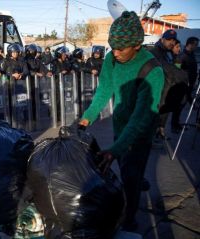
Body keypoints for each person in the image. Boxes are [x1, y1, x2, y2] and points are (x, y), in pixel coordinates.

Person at [78, 11, 164, 231]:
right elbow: (104, 90)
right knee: (125, 169)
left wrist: (115, 149)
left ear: (137, 45)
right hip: (120, 125)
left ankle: (130, 219)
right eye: (112, 47)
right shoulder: (111, 59)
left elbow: (140, 118)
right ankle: (133, 179)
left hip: (140, 133)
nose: (115, 53)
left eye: (120, 48)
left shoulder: (153, 70)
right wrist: (87, 118)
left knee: (130, 177)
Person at [150, 30, 189, 135]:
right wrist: (183, 76)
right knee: (153, 119)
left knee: (162, 117)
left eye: (173, 40)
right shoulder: (155, 52)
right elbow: (167, 68)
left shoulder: (168, 52)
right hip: (157, 93)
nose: (171, 42)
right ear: (162, 39)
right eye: (168, 40)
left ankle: (158, 133)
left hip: (167, 91)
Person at [180, 36, 199, 104]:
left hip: (190, 83)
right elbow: (177, 70)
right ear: (190, 44)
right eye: (195, 44)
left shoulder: (192, 55)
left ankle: (190, 102)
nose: (196, 46)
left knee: (186, 100)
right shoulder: (182, 56)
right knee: (179, 106)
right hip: (184, 85)